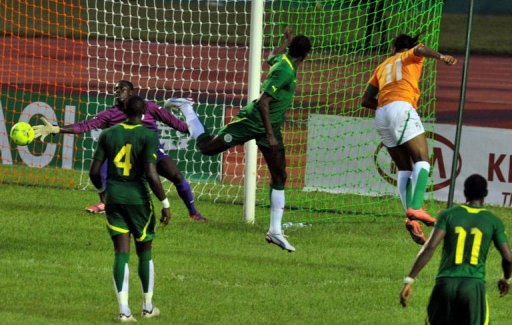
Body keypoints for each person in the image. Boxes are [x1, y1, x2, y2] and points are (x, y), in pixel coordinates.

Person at [166, 30, 311, 252]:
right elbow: (263, 103)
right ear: (306, 56)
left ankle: (275, 231)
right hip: (252, 122)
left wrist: (285, 42)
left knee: (280, 175)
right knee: (206, 148)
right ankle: (187, 107)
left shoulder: (284, 61)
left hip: (268, 127)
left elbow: (270, 56)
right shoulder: (285, 71)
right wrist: (270, 134)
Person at [32, 80, 206, 222]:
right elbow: (85, 125)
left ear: (131, 92)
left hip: (151, 151)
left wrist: (192, 127)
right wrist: (57, 129)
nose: (117, 92)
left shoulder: (148, 107)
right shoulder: (110, 114)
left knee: (176, 176)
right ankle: (105, 202)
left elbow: (177, 125)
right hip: (126, 154)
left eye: (121, 89)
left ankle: (193, 212)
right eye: (115, 89)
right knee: (100, 168)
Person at [361, 33, 457, 244]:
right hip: (401, 107)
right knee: (422, 160)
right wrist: (442, 57)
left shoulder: (382, 65)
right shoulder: (409, 56)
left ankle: (412, 219)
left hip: (381, 113)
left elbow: (365, 100)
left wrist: (386, 106)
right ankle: (416, 207)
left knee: (404, 168)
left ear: (393, 46)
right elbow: (421, 50)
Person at [89, 95, 171, 322]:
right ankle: (147, 307)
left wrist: (102, 193)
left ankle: (124, 311)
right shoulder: (147, 135)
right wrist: (165, 203)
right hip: (138, 200)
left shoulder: (108, 134)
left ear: (124, 111)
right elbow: (152, 174)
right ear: (144, 113)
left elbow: (94, 172)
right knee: (144, 252)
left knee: (121, 253)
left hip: (114, 198)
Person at [399, 174, 512, 324]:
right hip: (473, 288)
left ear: (465, 192)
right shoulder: (493, 221)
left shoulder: (448, 215)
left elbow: (430, 247)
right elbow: (508, 258)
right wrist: (506, 278)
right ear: (485, 194)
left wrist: (409, 279)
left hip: (445, 285)